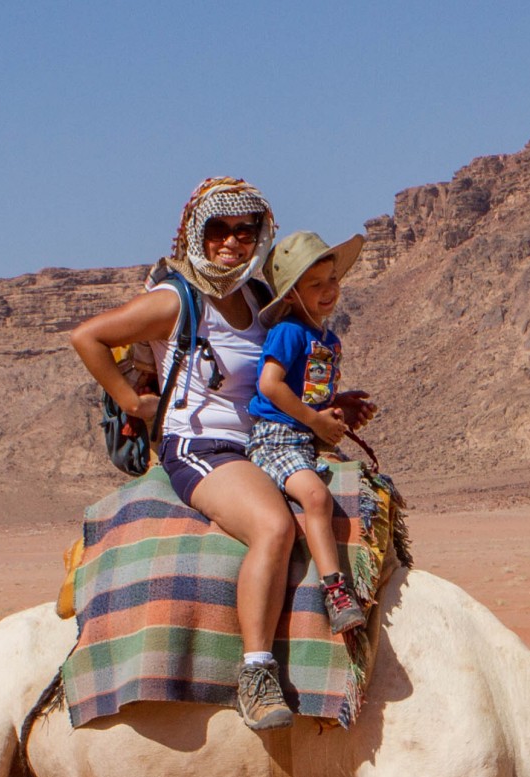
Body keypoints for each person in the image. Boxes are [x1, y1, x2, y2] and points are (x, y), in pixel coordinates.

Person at [69, 178, 374, 732]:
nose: (230, 242)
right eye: (217, 230)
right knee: (274, 527)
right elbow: (87, 337)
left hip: (263, 441)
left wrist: (332, 406)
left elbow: (273, 379)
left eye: (244, 230)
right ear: (196, 234)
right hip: (202, 448)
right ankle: (256, 674)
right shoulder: (176, 301)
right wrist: (134, 401)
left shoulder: (259, 299)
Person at [248, 229, 370, 637]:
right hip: (276, 437)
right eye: (314, 285)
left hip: (303, 437)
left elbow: (310, 396)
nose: (328, 290)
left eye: (331, 279)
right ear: (290, 295)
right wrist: (316, 421)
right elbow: (270, 385)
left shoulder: (326, 339)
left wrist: (338, 408)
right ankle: (335, 592)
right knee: (316, 497)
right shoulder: (288, 332)